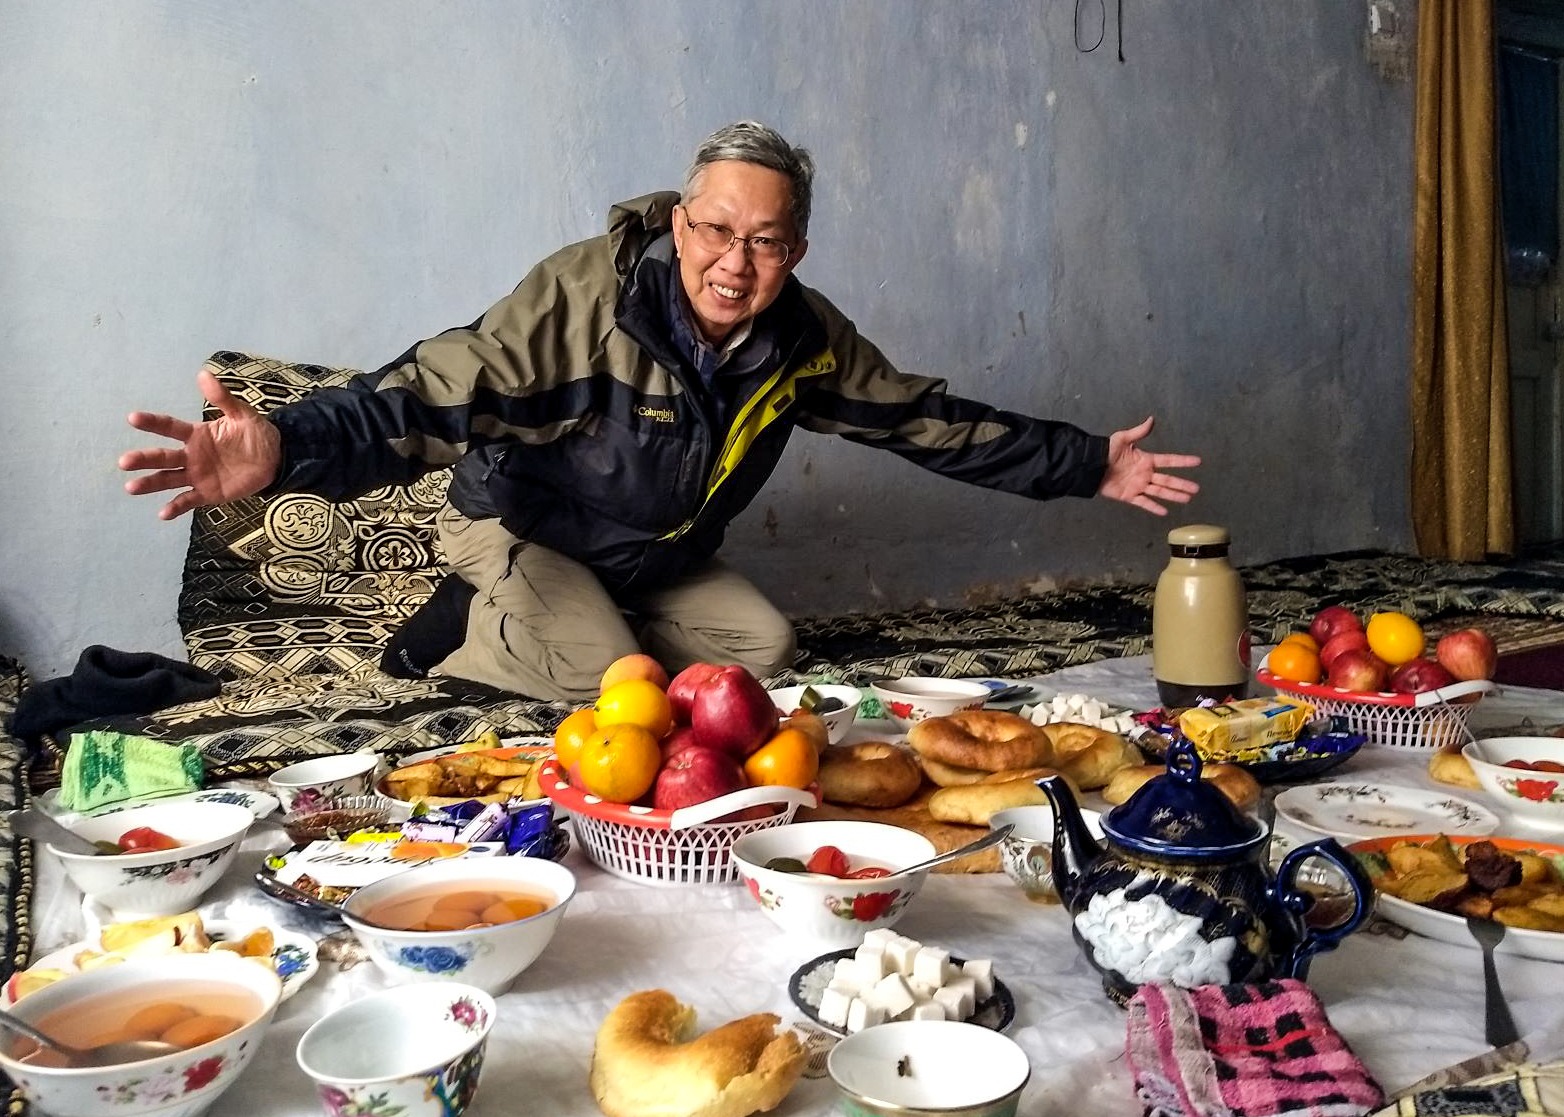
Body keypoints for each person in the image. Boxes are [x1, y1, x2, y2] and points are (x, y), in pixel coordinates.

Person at [120, 120, 1201, 703]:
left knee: (763, 652)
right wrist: (288, 442)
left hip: (648, 552)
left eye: (765, 241)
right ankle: (462, 626)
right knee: (611, 678)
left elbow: (923, 420)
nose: (735, 263)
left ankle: (579, 623)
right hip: (519, 524)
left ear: (796, 252)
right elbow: (433, 388)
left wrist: (1085, 463)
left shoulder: (803, 339)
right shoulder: (582, 303)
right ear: (680, 224)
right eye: (715, 231)